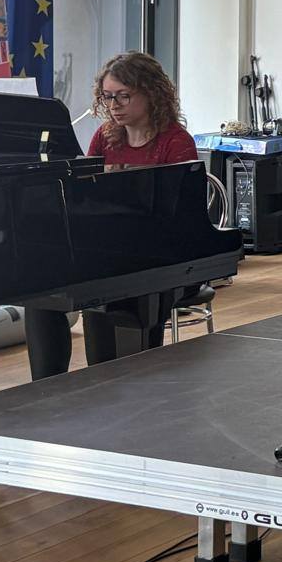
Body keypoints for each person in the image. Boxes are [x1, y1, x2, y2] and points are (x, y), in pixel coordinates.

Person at [25, 52, 199, 379]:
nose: (114, 105)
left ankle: (111, 380)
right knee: (40, 291)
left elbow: (179, 218)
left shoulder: (176, 143)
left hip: (161, 256)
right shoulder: (105, 137)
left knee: (108, 290)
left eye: (123, 95)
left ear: (151, 93)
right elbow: (83, 195)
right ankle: (47, 388)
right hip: (107, 247)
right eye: (107, 96)